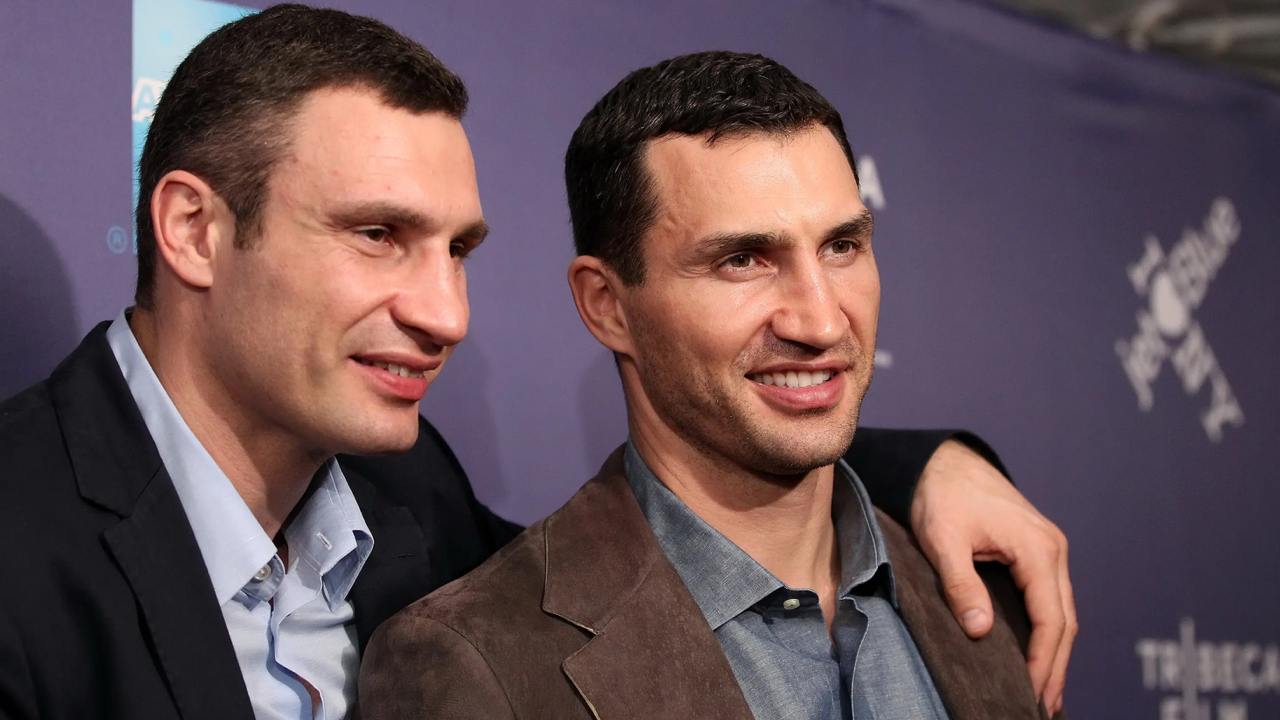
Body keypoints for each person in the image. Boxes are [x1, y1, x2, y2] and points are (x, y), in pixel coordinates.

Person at [0, 6, 1069, 720]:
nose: (446, 313)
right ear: (194, 231)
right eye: (378, 235)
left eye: (458, 249)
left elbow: (641, 553)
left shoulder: (408, 494)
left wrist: (919, 465)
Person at [359, 51, 1069, 719]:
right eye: (743, 260)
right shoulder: (478, 661)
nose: (822, 321)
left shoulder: (985, 584)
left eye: (841, 246)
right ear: (608, 306)